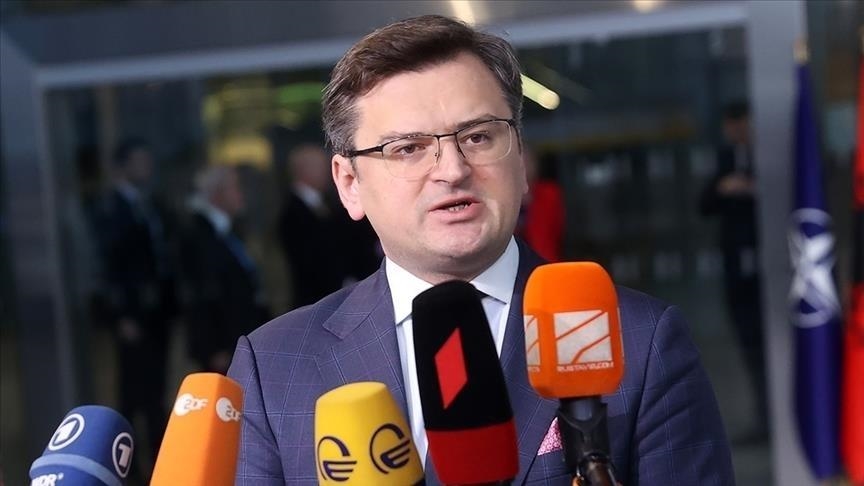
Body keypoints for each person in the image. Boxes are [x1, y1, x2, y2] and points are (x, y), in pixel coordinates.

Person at [228, 15, 734, 485]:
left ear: (520, 157)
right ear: (349, 184)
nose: (452, 170)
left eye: (477, 137)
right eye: (408, 148)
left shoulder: (640, 341)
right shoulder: (274, 366)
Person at [94, 138, 177, 468]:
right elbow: (109, 265)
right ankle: (128, 463)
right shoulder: (112, 209)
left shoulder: (149, 203)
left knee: (155, 388)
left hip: (156, 313)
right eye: (139, 162)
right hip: (133, 314)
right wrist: (122, 315)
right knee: (133, 391)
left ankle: (157, 462)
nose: (146, 168)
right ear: (123, 166)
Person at [700, 101, 768, 440]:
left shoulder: (768, 154)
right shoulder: (725, 160)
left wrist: (752, 189)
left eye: (740, 124)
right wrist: (724, 187)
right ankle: (762, 417)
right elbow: (704, 204)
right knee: (749, 344)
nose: (735, 132)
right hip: (737, 269)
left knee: (773, 343)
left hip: (770, 266)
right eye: (731, 126)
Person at [180, 165, 269, 374]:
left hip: (240, 340)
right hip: (223, 349)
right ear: (217, 194)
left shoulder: (227, 230)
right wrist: (212, 347)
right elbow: (200, 293)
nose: (240, 194)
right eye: (235, 187)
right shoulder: (199, 235)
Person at [277, 143, 379, 308]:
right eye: (319, 166)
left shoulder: (324, 204)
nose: (326, 172)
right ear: (303, 170)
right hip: (317, 299)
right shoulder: (293, 213)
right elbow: (311, 259)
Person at [516, 147, 566, 261]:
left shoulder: (549, 193)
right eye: (518, 163)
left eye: (527, 162)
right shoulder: (504, 197)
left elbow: (559, 229)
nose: (524, 168)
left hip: (546, 259)